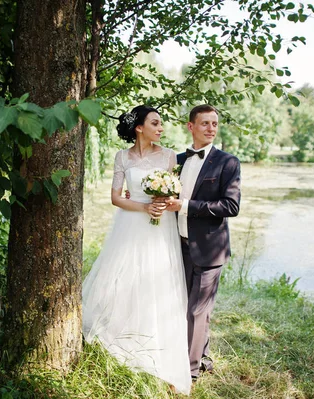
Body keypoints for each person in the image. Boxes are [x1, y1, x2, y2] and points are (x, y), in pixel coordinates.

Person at [82, 105, 191, 394]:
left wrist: (161, 203)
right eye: (155, 123)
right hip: (130, 224)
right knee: (125, 277)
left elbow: (175, 193)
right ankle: (121, 336)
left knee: (157, 281)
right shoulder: (122, 157)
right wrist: (143, 206)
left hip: (159, 227)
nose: (161, 128)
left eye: (161, 123)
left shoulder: (169, 156)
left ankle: (156, 348)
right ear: (139, 128)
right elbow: (116, 197)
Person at [165, 104, 241, 382]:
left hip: (210, 248)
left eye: (214, 124)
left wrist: (186, 205)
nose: (211, 128)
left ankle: (190, 372)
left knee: (198, 310)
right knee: (187, 306)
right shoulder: (177, 161)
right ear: (191, 126)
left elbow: (231, 206)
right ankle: (203, 355)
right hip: (179, 244)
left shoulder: (227, 162)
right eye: (205, 123)